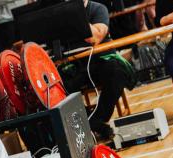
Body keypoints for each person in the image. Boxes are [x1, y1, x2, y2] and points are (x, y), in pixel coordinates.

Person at [58, 0, 136, 139]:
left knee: (117, 73)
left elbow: (94, 38)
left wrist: (77, 14)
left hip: (102, 60)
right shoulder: (62, 14)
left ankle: (95, 120)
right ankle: (90, 123)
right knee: (57, 86)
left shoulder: (98, 9)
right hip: (76, 66)